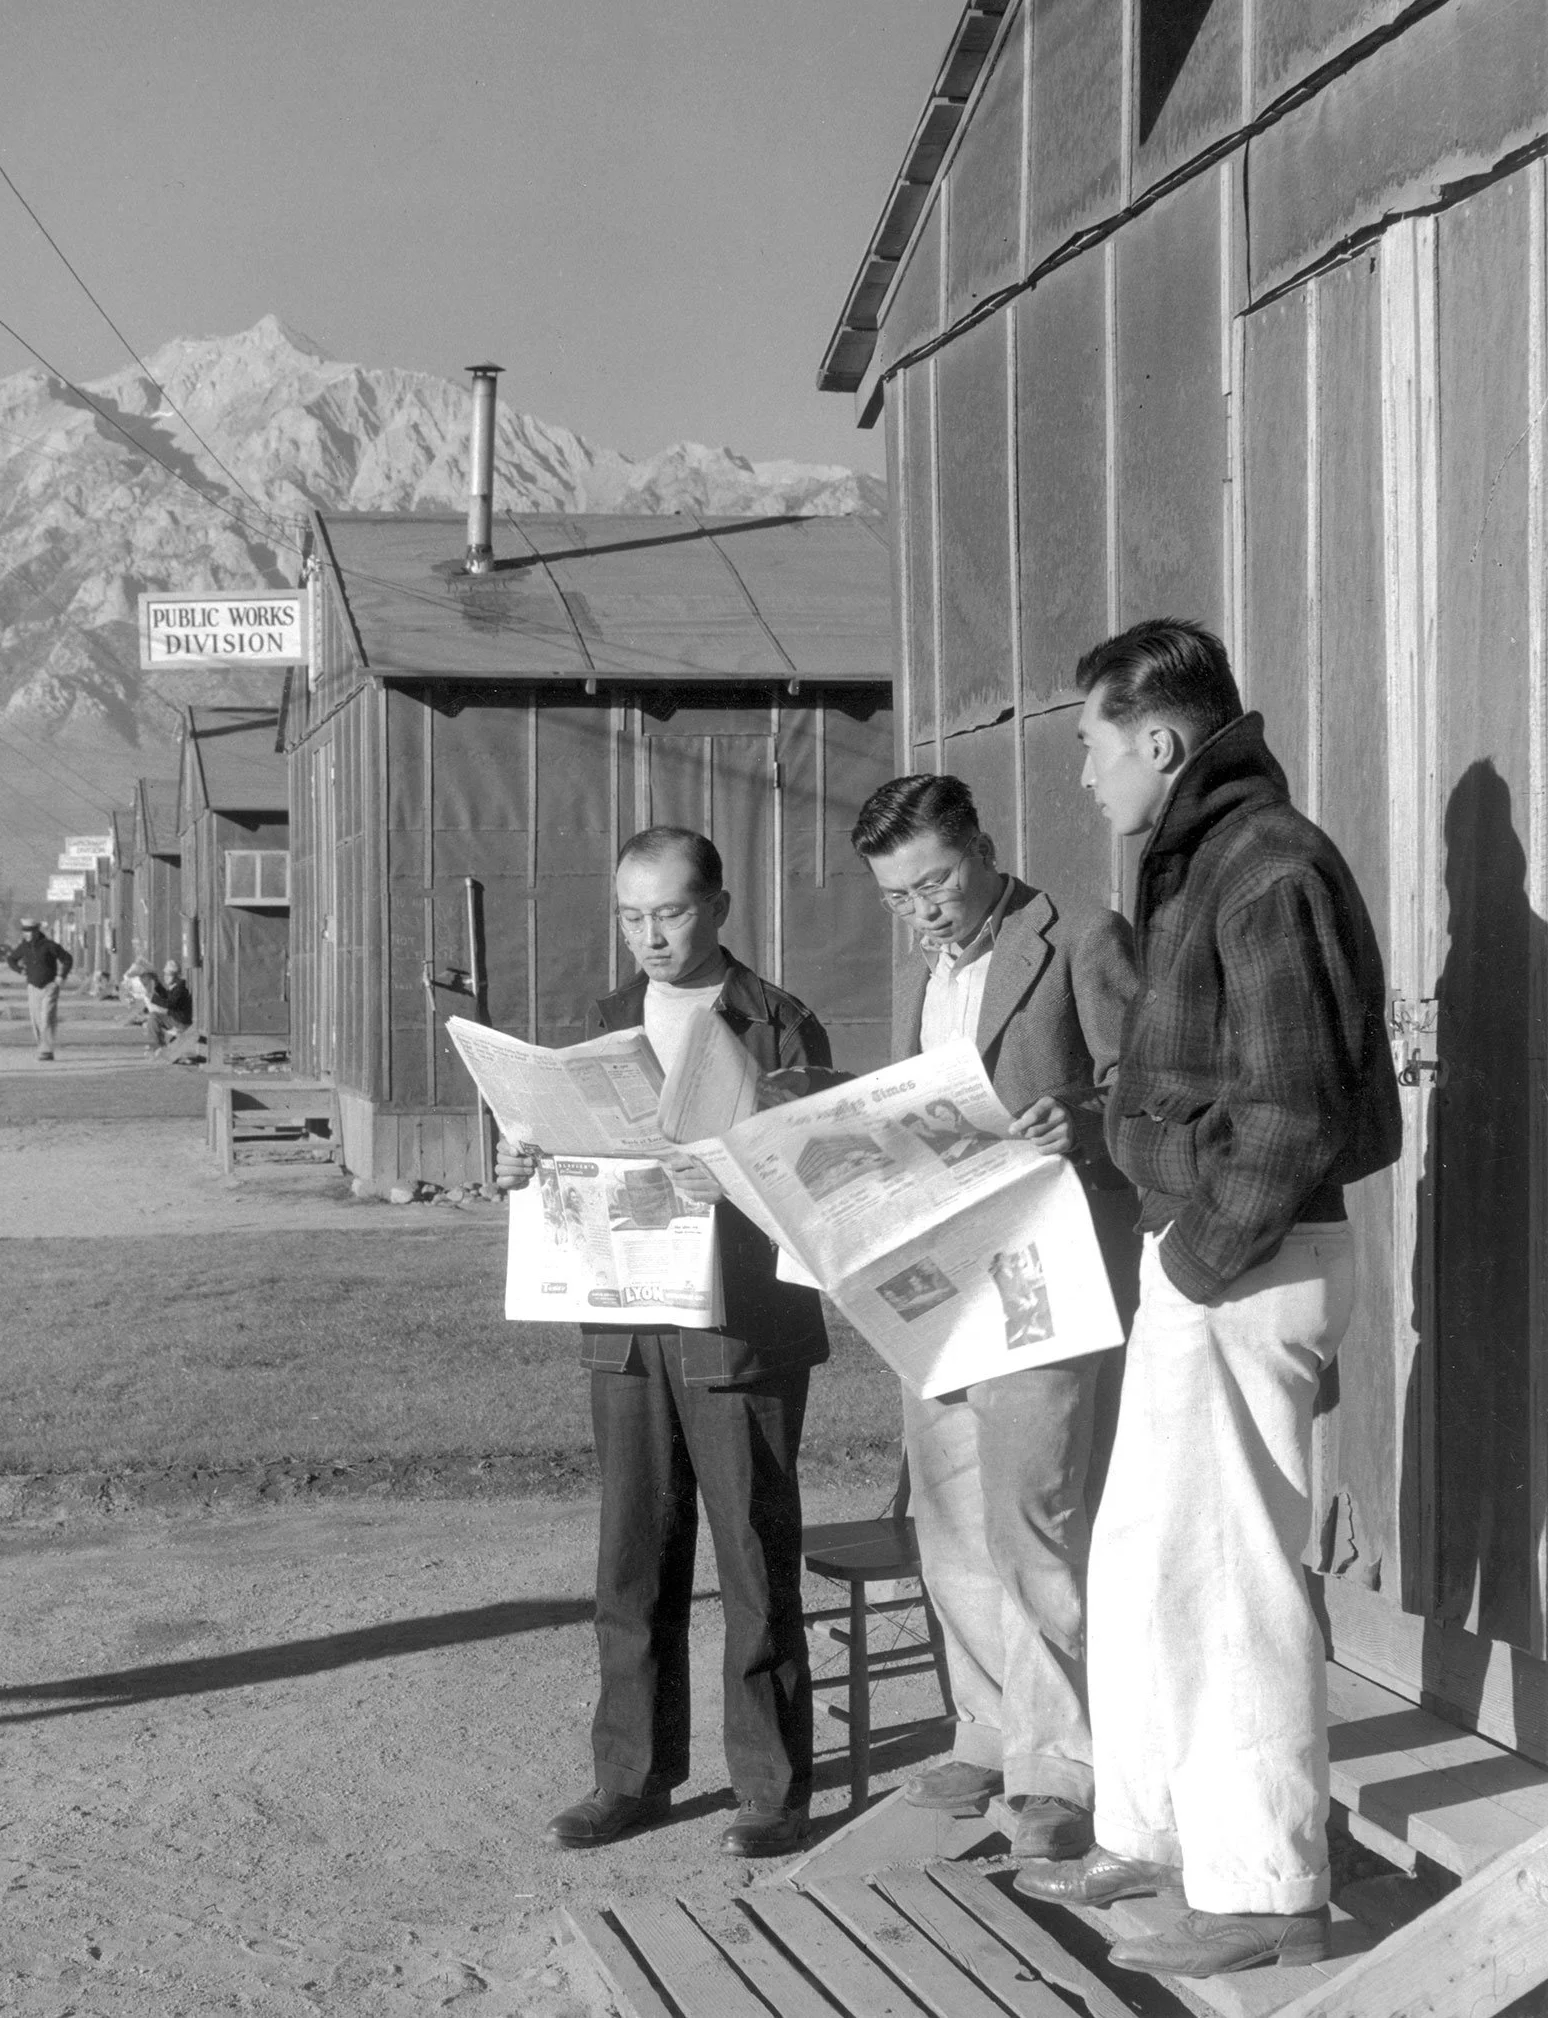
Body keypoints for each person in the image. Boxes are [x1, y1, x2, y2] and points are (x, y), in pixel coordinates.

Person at [1016, 619, 1399, 1979]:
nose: (1082, 774)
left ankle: (1262, 1882)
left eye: (1090, 744)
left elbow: (1290, 1113)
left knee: (1232, 1575)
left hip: (1246, 1256)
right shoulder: (1212, 860)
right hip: (1216, 1254)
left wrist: (1192, 1254)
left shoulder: (1266, 865)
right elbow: (1209, 1080)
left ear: (1161, 740)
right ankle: (1154, 1827)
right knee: (1142, 1563)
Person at [497, 826, 832, 1860]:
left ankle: (770, 1790)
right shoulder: (598, 1025)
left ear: (720, 907)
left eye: (671, 912)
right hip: (626, 1322)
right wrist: (522, 1164)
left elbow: (822, 1181)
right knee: (631, 1561)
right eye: (630, 915)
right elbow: (568, 1159)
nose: (649, 935)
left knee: (749, 1555)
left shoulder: (778, 1025)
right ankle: (629, 1779)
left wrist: (734, 1177)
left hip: (740, 1328)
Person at [853, 774, 1137, 1865]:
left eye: (934, 883)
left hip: (1045, 1278)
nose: (920, 911)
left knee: (1035, 1524)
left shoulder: (1078, 939)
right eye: (895, 897)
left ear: (982, 845)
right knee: (950, 1517)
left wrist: (1083, 1119)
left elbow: (1149, 1089)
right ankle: (984, 1727)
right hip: (938, 1279)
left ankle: (1059, 1767)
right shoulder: (923, 967)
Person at [5, 917, 72, 1060]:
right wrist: (19, 970)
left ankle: (46, 1050)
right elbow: (11, 960)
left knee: (47, 1017)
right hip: (33, 987)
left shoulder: (49, 945)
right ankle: (41, 1046)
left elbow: (67, 959)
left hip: (50, 986)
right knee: (36, 1019)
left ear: (36, 932)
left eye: (29, 931)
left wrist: (61, 976)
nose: (26, 934)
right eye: (25, 932)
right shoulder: (24, 947)